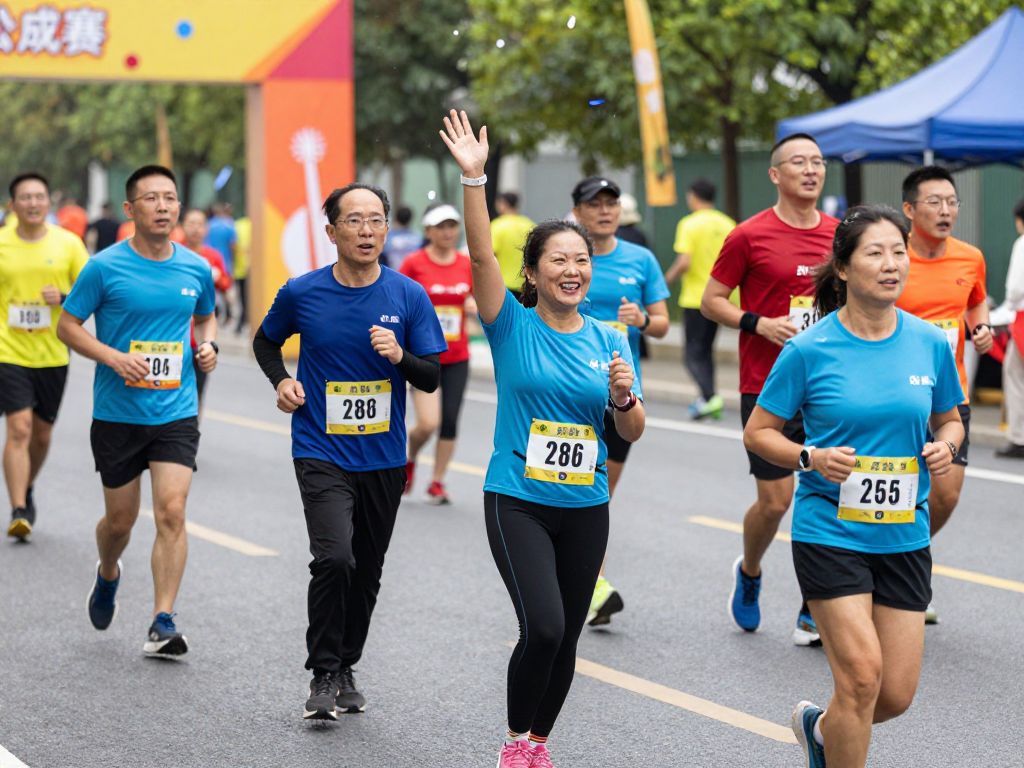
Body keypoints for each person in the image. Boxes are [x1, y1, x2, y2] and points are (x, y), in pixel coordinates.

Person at [441, 109, 645, 768]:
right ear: (532, 273)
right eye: (558, 260)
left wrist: (623, 397)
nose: (572, 269)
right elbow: (480, 254)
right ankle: (513, 741)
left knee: (569, 637)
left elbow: (631, 428)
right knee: (546, 626)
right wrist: (474, 178)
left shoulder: (610, 339)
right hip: (518, 499)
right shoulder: (510, 324)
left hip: (585, 503)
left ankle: (538, 746)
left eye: (581, 260)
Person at [743, 205, 964, 768]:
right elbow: (759, 432)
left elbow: (951, 418)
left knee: (893, 696)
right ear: (842, 268)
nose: (891, 264)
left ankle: (820, 730)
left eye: (898, 253)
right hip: (830, 531)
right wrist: (810, 457)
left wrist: (946, 445)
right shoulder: (809, 349)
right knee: (862, 679)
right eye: (875, 253)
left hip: (904, 533)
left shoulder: (928, 342)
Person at [252, 183, 446, 721]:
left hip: (384, 457)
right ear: (332, 231)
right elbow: (266, 341)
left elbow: (431, 377)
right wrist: (282, 381)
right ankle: (322, 671)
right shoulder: (302, 292)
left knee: (367, 569)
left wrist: (400, 356)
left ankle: (346, 665)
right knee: (335, 557)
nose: (367, 230)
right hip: (320, 448)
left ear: (387, 228)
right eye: (355, 220)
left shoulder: (408, 295)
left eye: (376, 220)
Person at [57, 165, 218, 658]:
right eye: (152, 198)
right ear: (130, 209)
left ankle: (162, 620)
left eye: (170, 197)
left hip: (175, 410)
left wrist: (208, 346)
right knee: (120, 522)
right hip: (117, 413)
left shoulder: (196, 268)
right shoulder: (103, 267)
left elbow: (206, 317)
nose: (163, 206)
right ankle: (108, 572)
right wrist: (113, 357)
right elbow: (67, 326)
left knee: (171, 511)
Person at [701, 133, 839, 645]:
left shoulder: (841, 236)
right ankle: (751, 569)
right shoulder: (748, 235)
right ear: (775, 174)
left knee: (829, 494)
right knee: (777, 501)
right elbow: (711, 300)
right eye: (799, 162)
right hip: (768, 386)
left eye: (818, 162)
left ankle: (814, 605)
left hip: (829, 385)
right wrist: (758, 323)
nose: (811, 169)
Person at [894, 166, 992, 624]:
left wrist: (981, 326)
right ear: (909, 209)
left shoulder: (970, 257)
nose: (946, 210)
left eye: (952, 202)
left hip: (948, 395)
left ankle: (904, 561)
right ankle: (885, 576)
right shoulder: (892, 258)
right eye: (934, 202)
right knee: (885, 489)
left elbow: (976, 299)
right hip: (895, 395)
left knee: (946, 495)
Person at [571, 175, 669, 627]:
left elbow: (663, 324)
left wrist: (643, 319)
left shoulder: (640, 259)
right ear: (578, 211)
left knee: (598, 495)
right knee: (575, 488)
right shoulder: (567, 256)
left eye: (611, 203)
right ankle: (592, 586)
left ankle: (584, 580)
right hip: (571, 390)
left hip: (621, 394)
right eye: (595, 204)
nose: (605, 211)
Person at [0, 172, 89, 540]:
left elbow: (92, 290)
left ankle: (27, 485)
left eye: (39, 196)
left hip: (53, 352)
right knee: (19, 427)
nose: (33, 203)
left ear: (49, 202)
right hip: (8, 349)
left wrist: (65, 297)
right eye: (25, 197)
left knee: (41, 435)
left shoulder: (68, 244)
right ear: (12, 205)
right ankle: (19, 509)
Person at [399, 203, 474, 504]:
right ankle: (410, 457)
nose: (447, 232)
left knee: (450, 421)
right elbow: (398, 300)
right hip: (424, 356)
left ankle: (437, 482)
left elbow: (478, 298)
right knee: (428, 423)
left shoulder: (466, 264)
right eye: (440, 226)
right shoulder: (413, 263)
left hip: (457, 355)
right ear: (428, 230)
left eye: (452, 225)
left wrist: (474, 306)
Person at [665, 178, 736, 420]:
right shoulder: (727, 223)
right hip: (721, 298)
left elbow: (684, 261)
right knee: (706, 350)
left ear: (693, 196)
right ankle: (707, 399)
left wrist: (665, 281)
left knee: (692, 354)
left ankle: (710, 396)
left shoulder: (689, 223)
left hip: (696, 298)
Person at [181, 208, 232, 408]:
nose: (196, 229)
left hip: (201, 336)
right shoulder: (172, 253)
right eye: (191, 223)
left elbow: (226, 284)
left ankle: (194, 425)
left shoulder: (213, 256)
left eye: (200, 224)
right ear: (182, 226)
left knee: (197, 391)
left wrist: (217, 276)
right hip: (176, 336)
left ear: (206, 229)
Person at [996, 199, 1024, 459]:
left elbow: (1015, 289)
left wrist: (1007, 308)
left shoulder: (1022, 243)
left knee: (1015, 376)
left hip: (1022, 318)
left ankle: (1019, 437)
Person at [490, 191, 534, 297]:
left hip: (502, 284)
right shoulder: (530, 225)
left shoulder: (497, 225)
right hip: (526, 283)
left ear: (503, 204)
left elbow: (490, 255)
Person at [380, 205, 421, 271]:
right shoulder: (417, 236)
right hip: (411, 273)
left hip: (392, 271)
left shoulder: (389, 235)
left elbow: (383, 252)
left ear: (396, 219)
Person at [233, 215, 251, 334]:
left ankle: (241, 323)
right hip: (252, 270)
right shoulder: (258, 224)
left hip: (240, 269)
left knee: (242, 298)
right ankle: (243, 322)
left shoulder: (237, 224)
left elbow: (233, 246)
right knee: (248, 298)